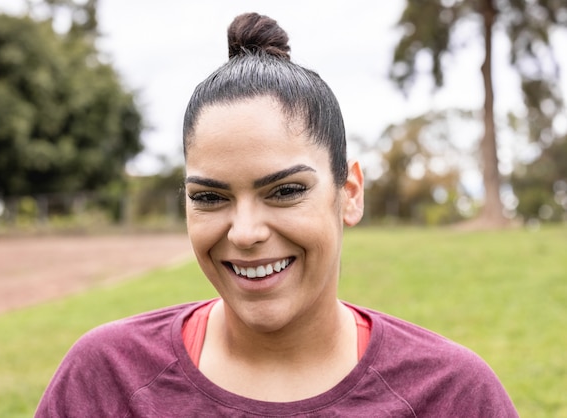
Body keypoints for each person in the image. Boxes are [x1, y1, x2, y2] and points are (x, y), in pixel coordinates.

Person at [35, 12, 518, 417]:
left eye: (285, 191)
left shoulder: (453, 395)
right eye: (209, 197)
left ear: (349, 193)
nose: (244, 233)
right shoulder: (106, 380)